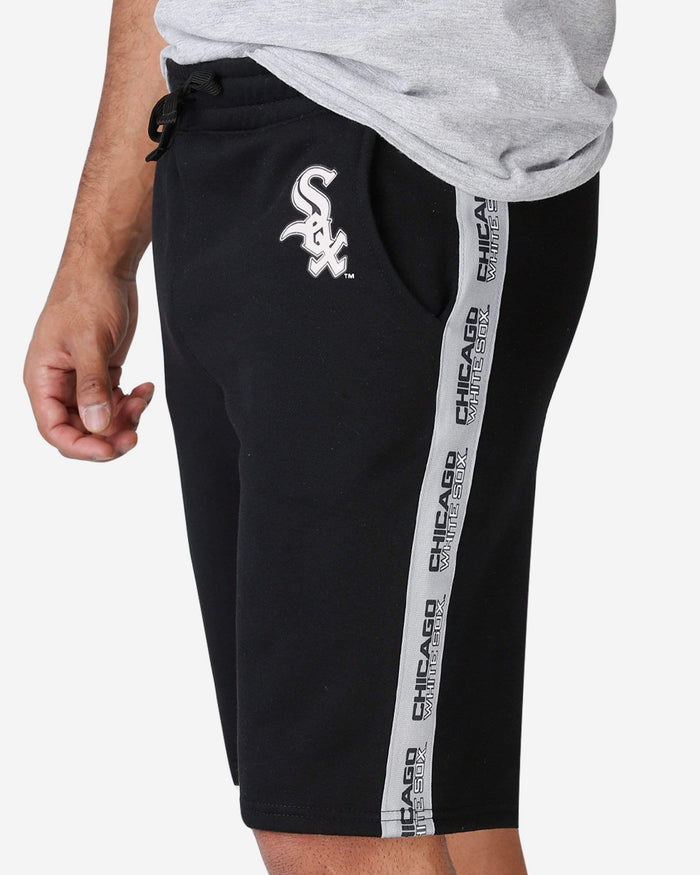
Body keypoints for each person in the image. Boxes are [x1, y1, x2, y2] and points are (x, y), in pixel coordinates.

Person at [23, 1, 617, 873]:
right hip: (204, 124)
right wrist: (95, 259)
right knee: (407, 799)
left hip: (406, 132)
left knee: (337, 816)